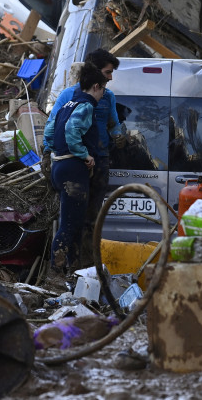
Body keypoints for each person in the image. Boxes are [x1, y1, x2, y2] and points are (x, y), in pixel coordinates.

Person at [42, 49, 122, 268]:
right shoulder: (71, 97)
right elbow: (56, 127)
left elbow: (115, 125)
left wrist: (123, 139)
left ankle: (85, 267)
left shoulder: (108, 97)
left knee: (91, 218)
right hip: (77, 163)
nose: (110, 78)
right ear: (95, 75)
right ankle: (67, 266)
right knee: (72, 217)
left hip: (98, 161)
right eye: (107, 73)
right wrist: (51, 154)